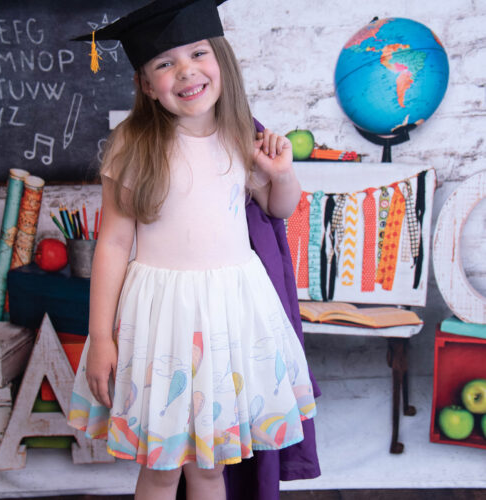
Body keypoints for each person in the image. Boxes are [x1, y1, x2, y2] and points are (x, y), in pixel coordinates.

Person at [67, 1, 317, 499]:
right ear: (144, 83)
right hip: (161, 321)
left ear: (220, 59)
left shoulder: (242, 134)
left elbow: (276, 208)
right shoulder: (133, 145)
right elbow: (114, 243)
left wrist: (282, 174)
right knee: (161, 468)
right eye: (164, 63)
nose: (186, 71)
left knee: (209, 468)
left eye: (198, 53)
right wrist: (100, 338)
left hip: (231, 314)